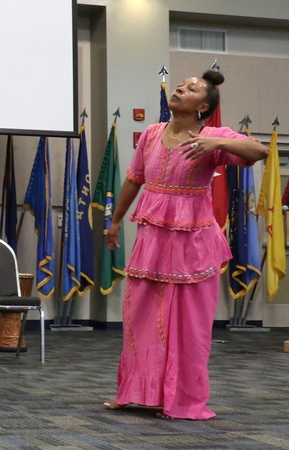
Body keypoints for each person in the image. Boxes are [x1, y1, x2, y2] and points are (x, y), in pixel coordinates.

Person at [104, 70, 268, 420]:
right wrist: (116, 221)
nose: (180, 88)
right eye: (181, 84)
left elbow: (259, 151)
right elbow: (134, 181)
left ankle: (181, 400)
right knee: (140, 318)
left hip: (195, 245)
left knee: (188, 326)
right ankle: (133, 391)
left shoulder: (212, 136)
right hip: (152, 240)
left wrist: (219, 144)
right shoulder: (150, 135)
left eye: (191, 88)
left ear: (203, 106)